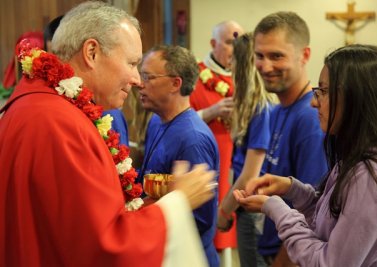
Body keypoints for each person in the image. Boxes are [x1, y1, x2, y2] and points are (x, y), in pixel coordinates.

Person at [0, 2, 217, 267]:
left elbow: (75, 223)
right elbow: (105, 247)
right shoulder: (61, 125)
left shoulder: (39, 105)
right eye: (132, 63)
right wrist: (179, 202)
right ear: (91, 52)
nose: (138, 80)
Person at [234, 44, 377, 267]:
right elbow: (331, 220)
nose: (314, 101)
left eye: (323, 91)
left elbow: (329, 263)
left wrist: (276, 208)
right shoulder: (355, 156)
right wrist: (292, 189)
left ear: (355, 98)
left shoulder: (372, 175)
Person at [252, 12, 328, 266]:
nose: (265, 66)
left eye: (276, 56)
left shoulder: (311, 118)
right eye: (259, 56)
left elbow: (311, 216)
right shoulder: (278, 109)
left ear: (304, 55)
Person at [138, 44, 220, 267]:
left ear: (176, 83)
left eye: (148, 77)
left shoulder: (192, 139)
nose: (139, 83)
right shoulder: (156, 120)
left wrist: (142, 212)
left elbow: (200, 220)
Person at [217, 32, 275, 267]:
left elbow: (251, 175)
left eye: (233, 60)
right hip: (247, 203)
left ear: (243, 65)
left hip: (254, 206)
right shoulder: (252, 106)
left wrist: (223, 211)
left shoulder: (262, 108)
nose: (228, 65)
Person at [190, 20, 244, 256]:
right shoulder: (195, 75)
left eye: (240, 44)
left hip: (239, 161)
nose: (236, 50)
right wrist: (211, 112)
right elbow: (179, 119)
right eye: (231, 43)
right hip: (207, 161)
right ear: (213, 43)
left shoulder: (247, 78)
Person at [44, 14, 131, 146]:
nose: (59, 65)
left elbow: (117, 164)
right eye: (54, 58)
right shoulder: (48, 102)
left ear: (89, 53)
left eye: (65, 57)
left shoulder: (108, 110)